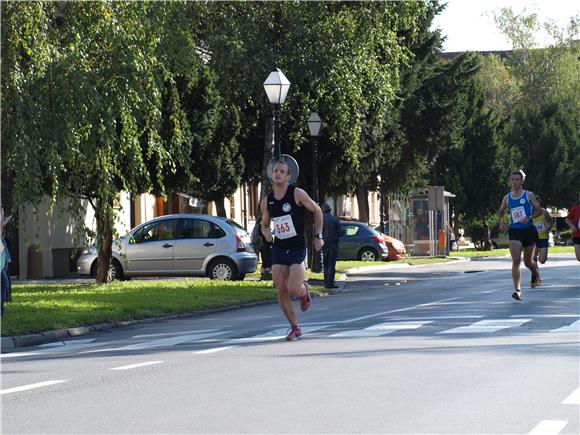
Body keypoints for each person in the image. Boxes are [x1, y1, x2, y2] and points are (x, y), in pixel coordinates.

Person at [260, 160, 324, 341]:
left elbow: (317, 211)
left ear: (289, 176)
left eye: (282, 171)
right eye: (275, 171)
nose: (278, 174)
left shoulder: (297, 194)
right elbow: (264, 224)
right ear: (272, 175)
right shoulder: (267, 201)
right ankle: (295, 327)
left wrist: (318, 236)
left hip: (296, 246)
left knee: (293, 288)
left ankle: (304, 291)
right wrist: (266, 234)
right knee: (281, 288)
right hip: (279, 247)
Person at [497, 170, 542, 301]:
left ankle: (535, 272)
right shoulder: (507, 198)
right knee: (516, 260)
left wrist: (529, 217)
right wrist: (501, 223)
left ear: (522, 181)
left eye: (517, 179)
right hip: (515, 231)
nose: (515, 182)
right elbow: (500, 212)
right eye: (513, 180)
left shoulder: (529, 195)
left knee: (528, 262)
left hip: (528, 231)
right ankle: (517, 289)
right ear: (510, 181)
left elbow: (539, 210)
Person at [321, 203, 341, 289]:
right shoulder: (335, 219)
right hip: (333, 243)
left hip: (324, 243)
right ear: (330, 210)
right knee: (332, 264)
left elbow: (316, 232)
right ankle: (330, 283)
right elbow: (340, 232)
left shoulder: (320, 219)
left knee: (325, 263)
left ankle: (326, 282)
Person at [532, 196, 554, 265]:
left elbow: (551, 221)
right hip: (532, 238)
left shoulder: (544, 212)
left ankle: (540, 254)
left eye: (536, 202)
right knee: (533, 259)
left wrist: (549, 228)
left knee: (542, 260)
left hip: (543, 237)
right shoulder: (528, 212)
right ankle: (535, 273)